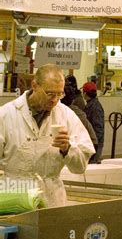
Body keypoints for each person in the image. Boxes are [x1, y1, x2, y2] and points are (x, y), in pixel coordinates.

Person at [0, 64, 95, 207]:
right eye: (50, 93)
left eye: (59, 94)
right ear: (34, 85)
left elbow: (80, 167)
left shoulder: (66, 115)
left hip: (52, 200)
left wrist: (67, 149)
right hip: (13, 197)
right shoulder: (7, 115)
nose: (55, 99)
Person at [83, 82, 105, 163]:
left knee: (92, 165)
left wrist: (94, 145)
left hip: (95, 144)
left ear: (85, 93)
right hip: (93, 143)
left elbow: (98, 128)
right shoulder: (91, 105)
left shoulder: (95, 107)